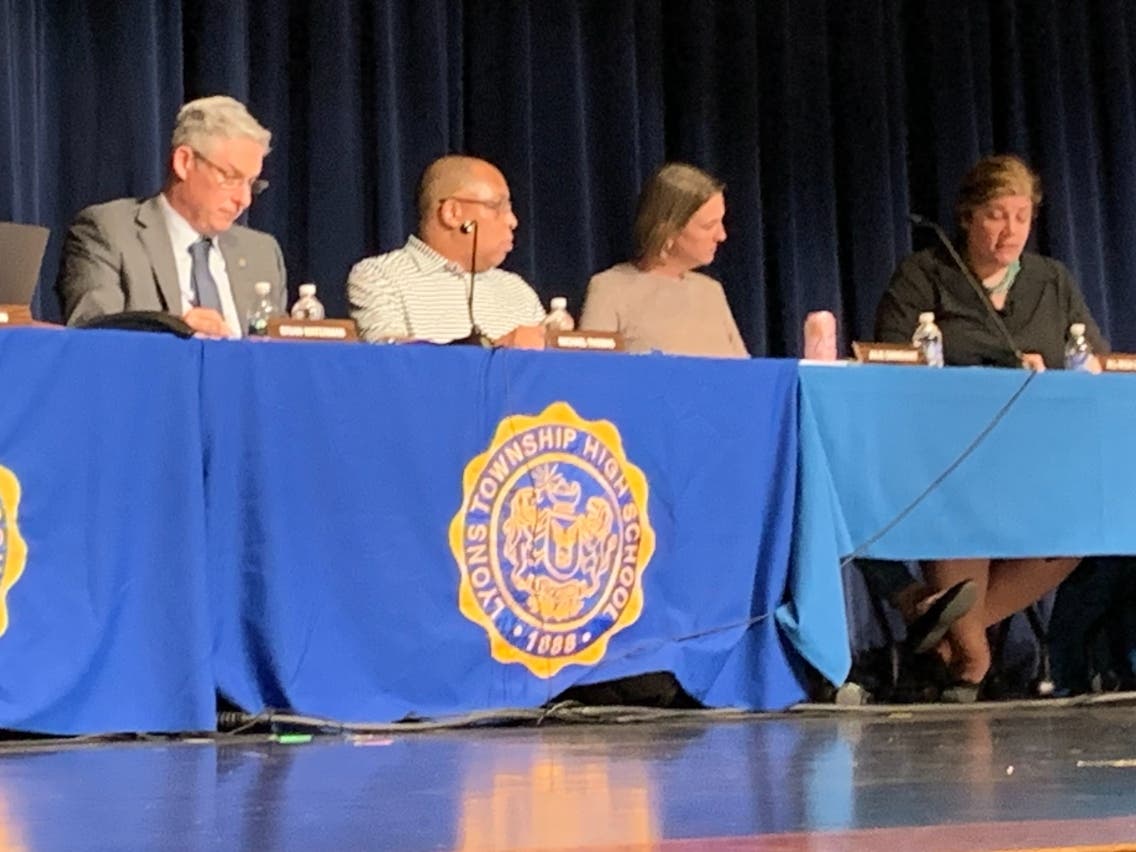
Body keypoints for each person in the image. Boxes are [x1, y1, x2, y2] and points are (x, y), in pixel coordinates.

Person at [874, 153, 1107, 700]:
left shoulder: (1051, 280)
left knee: (1075, 527)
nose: (1010, 231)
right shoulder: (925, 276)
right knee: (956, 511)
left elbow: (1092, 360)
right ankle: (972, 661)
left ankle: (948, 643)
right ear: (967, 218)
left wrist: (1054, 373)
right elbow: (887, 360)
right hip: (945, 453)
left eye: (1021, 217)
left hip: (1034, 456)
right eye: (996, 215)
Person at [56, 95, 286, 337]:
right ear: (184, 162)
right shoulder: (108, 232)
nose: (244, 200)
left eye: (251, 184)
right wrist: (175, 329)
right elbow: (93, 335)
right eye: (230, 178)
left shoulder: (262, 253)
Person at [348, 155, 546, 344]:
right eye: (497, 206)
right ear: (452, 213)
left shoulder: (518, 291)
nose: (513, 221)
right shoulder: (380, 277)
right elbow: (393, 363)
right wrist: (499, 352)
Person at [579, 162, 748, 358]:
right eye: (709, 226)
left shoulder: (711, 292)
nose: (721, 235)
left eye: (721, 222)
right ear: (668, 230)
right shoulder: (610, 289)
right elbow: (593, 376)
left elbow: (747, 373)